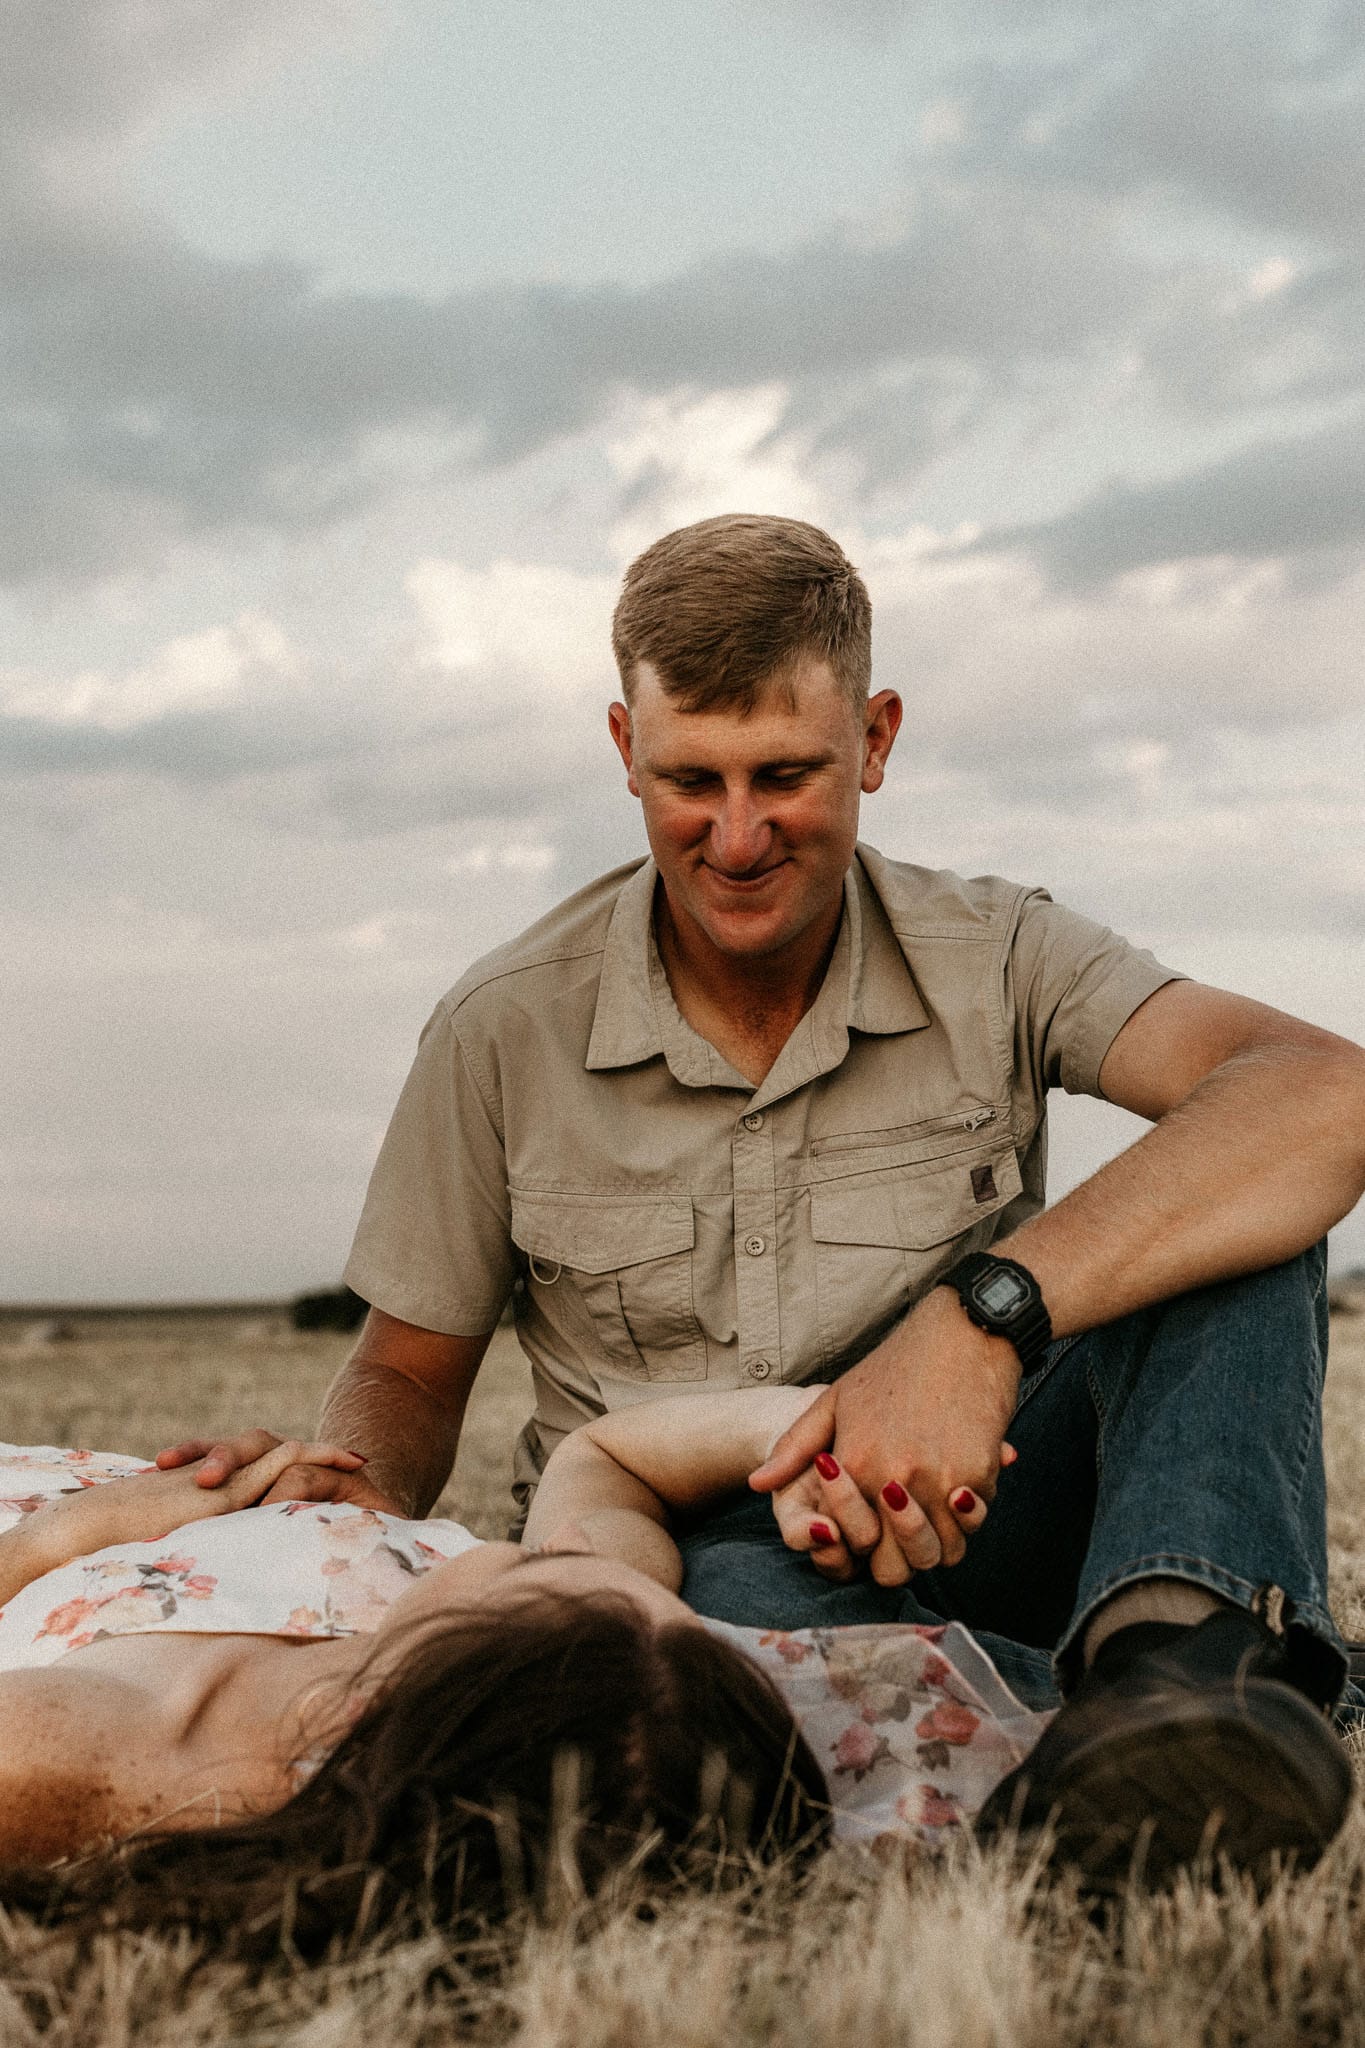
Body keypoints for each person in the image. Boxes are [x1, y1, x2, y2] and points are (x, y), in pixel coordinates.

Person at [168, 513, 1365, 1888]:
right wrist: (341, 1496)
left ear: (876, 740)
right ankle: (1164, 1706)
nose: (736, 837)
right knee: (700, 1664)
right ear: (625, 748)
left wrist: (980, 1321)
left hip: (983, 1499)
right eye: (692, 779)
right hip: (701, 1558)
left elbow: (1319, 1090)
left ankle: (1178, 1671)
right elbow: (405, 1372)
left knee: (1240, 1203)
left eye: (785, 775)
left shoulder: (1001, 951)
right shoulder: (500, 1026)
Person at [0, 1387, 842, 1957]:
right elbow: (604, 1460)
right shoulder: (607, 1652)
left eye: (530, 1567)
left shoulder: (84, 1752)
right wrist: (798, 1428)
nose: (555, 1542)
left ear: (409, 1694)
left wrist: (67, 1534)